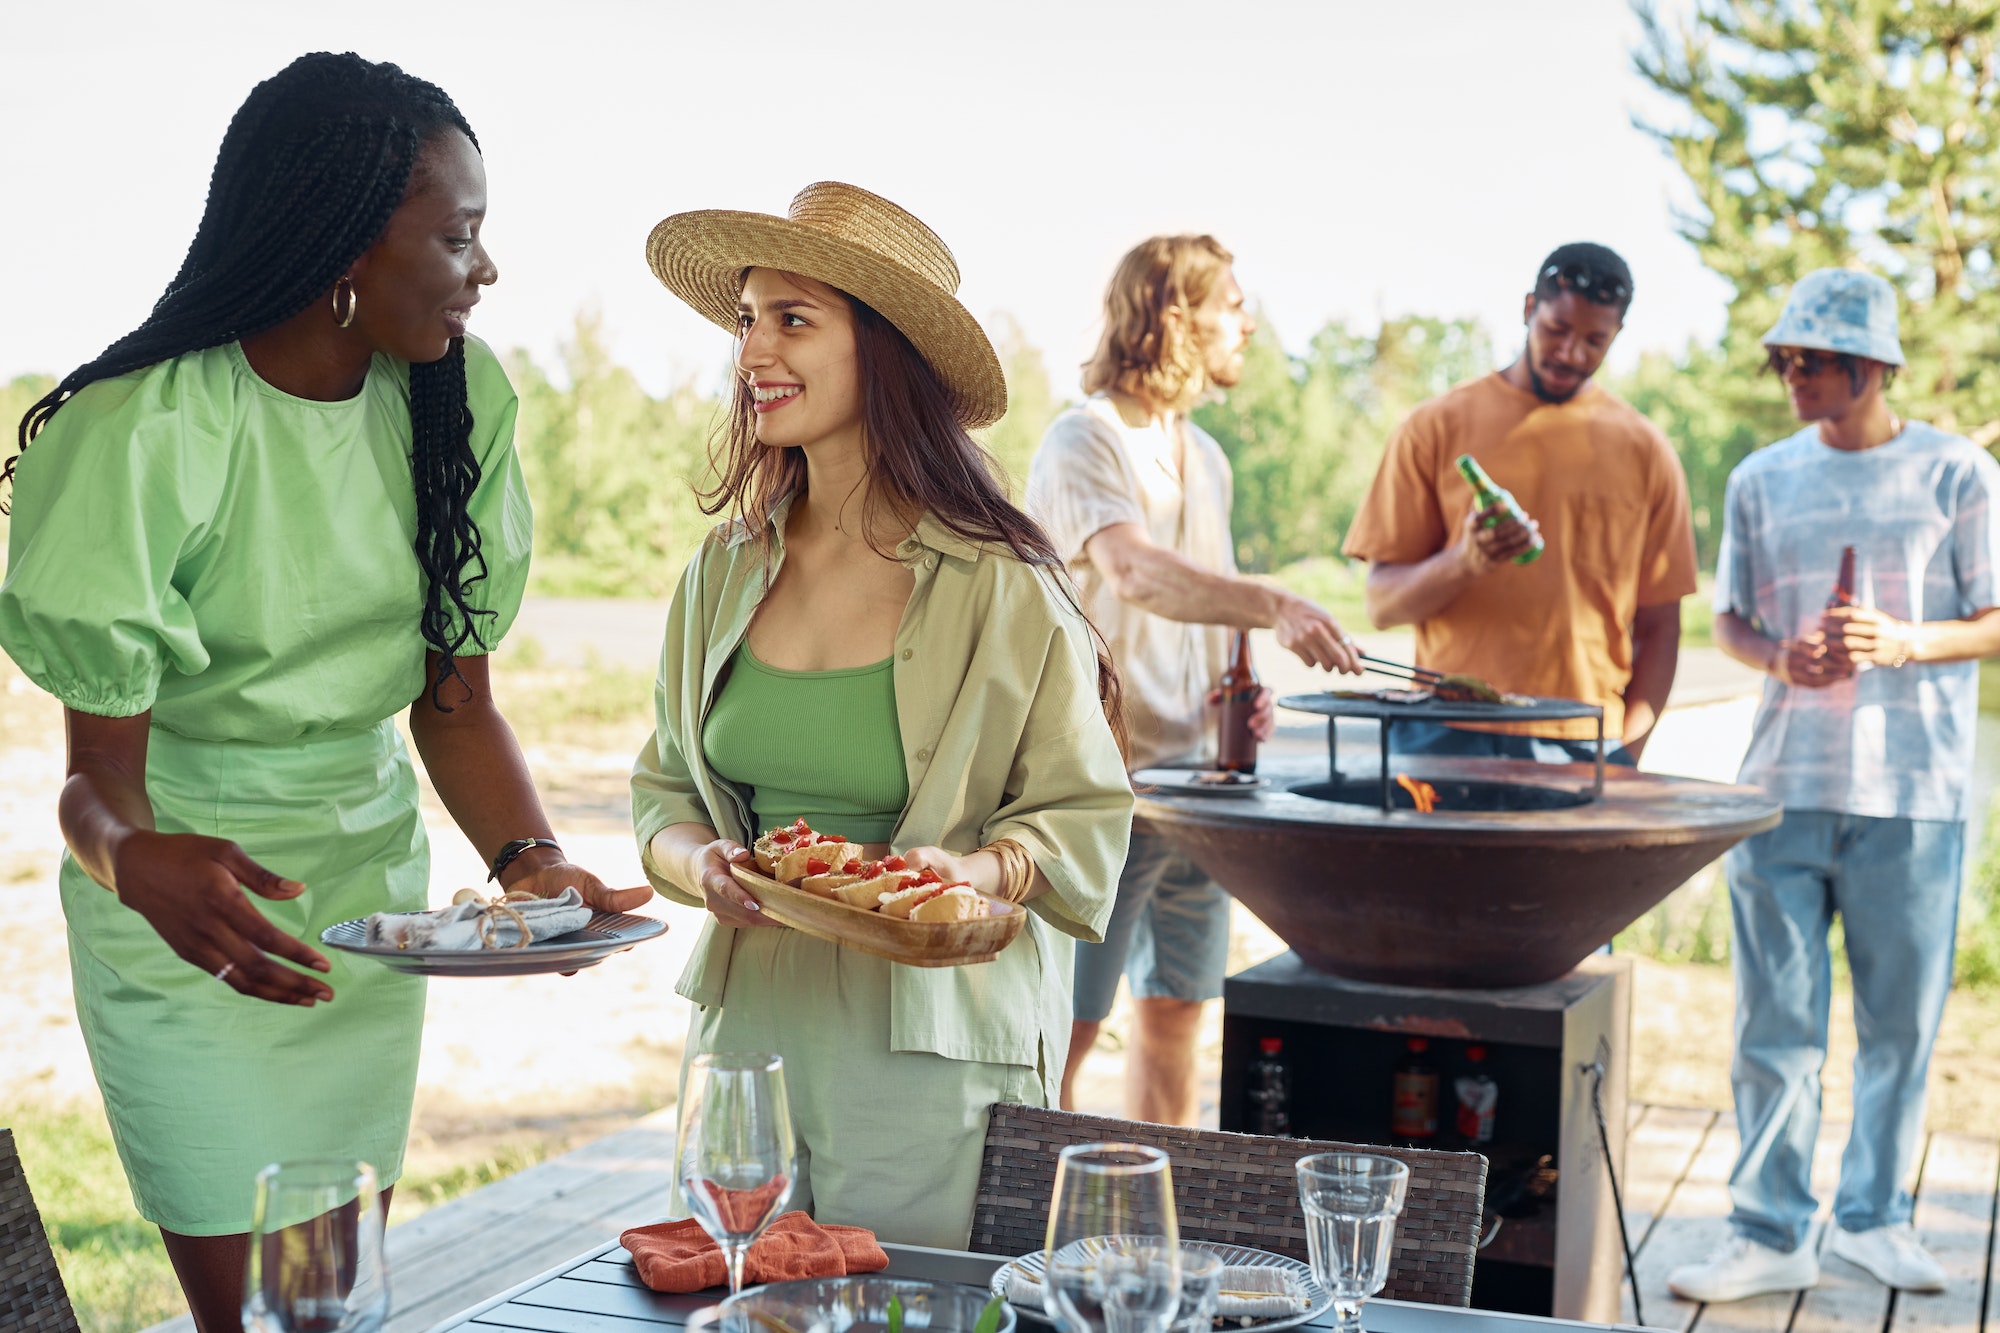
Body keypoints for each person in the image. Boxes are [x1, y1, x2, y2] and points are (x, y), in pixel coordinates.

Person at [0, 53, 644, 1333]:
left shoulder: (458, 402)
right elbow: (92, 789)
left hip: (367, 899)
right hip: (189, 909)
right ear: (348, 240)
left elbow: (456, 708)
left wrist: (531, 865)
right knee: (256, 1318)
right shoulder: (139, 428)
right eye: (459, 236)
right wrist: (137, 862)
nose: (487, 270)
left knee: (336, 1309)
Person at [630, 182, 1132, 1247]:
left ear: (885, 351)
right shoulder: (719, 573)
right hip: (746, 1034)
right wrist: (700, 866)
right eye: (745, 320)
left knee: (912, 1314)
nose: (751, 350)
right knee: (736, 1310)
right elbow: (663, 791)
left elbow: (1082, 814)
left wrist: (974, 874)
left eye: (792, 319)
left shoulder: (1003, 584)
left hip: (930, 1054)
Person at [1667, 269, 2000, 1303]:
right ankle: (1768, 1228)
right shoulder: (1760, 477)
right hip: (1779, 785)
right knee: (1773, 1029)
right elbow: (1726, 620)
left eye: (1806, 359)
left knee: (1896, 1029)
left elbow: (1993, 618)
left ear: (1868, 366)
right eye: (1782, 359)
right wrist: (1779, 660)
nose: (1788, 375)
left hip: (1913, 793)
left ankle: (1873, 1218)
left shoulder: (1958, 472)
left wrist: (1903, 642)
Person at [1026, 235, 1362, 1126]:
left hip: (1203, 795)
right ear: (1175, 315)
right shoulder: (1083, 437)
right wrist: (1275, 602)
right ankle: (1021, 1230)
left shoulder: (1205, 458)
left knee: (1177, 1012)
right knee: (1066, 1029)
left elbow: (1208, 604)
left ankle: (1150, 1230)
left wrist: (1243, 685)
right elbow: (1134, 572)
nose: (1246, 322)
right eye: (1232, 304)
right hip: (1103, 794)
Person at [1342, 243, 1697, 764]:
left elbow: (1661, 626)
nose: (1571, 353)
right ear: (1530, 308)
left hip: (1582, 736)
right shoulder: (1434, 428)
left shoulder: (1647, 451)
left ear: (1616, 335)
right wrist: (1464, 563)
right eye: (1557, 329)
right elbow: (1382, 606)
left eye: (1594, 340)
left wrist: (1628, 752)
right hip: (1446, 732)